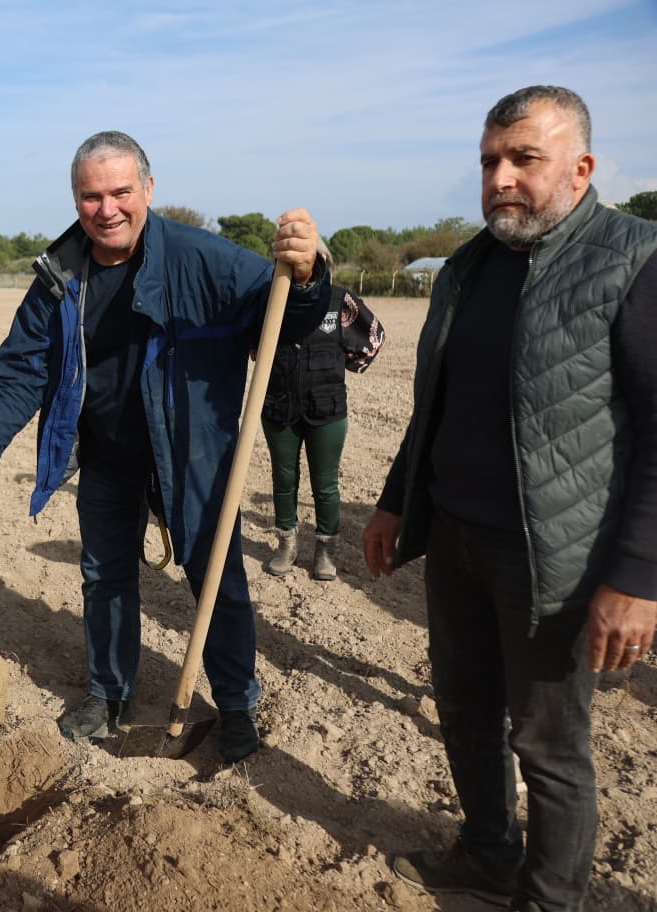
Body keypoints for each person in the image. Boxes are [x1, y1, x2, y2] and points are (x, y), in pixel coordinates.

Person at [0, 131, 328, 763]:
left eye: (121, 191)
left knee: (214, 575)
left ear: (148, 189)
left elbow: (288, 311)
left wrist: (307, 275)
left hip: (192, 452)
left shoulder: (203, 259)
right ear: (75, 199)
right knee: (104, 576)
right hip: (109, 456)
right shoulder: (59, 275)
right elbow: (23, 369)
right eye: (92, 196)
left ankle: (235, 701)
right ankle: (108, 692)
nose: (107, 208)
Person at [362, 86, 657, 912]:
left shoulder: (633, 258)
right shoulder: (467, 268)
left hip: (557, 557)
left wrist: (637, 576)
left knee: (550, 746)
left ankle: (551, 897)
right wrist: (394, 504)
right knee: (462, 709)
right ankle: (488, 850)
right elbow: (436, 407)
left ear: (581, 167)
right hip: (457, 538)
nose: (501, 178)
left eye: (524, 159)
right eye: (491, 160)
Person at [260, 242, 383, 581]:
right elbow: (248, 341)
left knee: (325, 485)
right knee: (283, 481)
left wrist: (336, 364)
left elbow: (374, 337)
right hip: (279, 408)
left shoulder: (339, 300)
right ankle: (287, 544)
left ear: (322, 261)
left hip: (327, 411)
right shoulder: (267, 299)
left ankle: (325, 551)